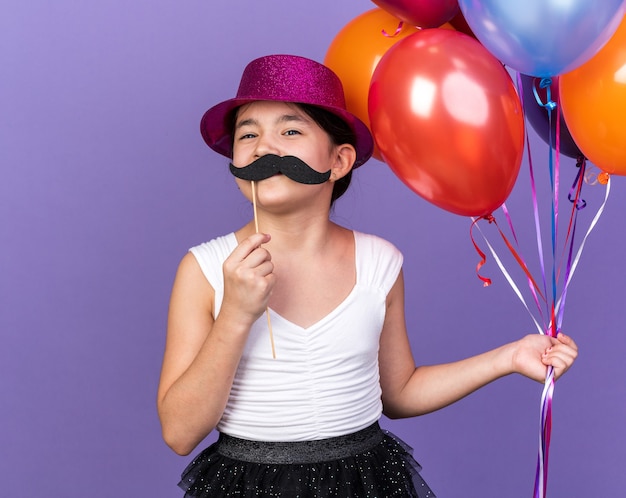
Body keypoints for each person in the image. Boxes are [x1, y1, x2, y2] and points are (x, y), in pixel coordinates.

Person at [157, 54, 578, 497]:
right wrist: (237, 314)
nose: (264, 148)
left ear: (339, 161)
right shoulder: (204, 269)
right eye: (248, 134)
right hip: (247, 483)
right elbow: (180, 432)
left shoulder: (380, 262)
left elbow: (399, 392)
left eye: (291, 130)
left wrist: (508, 358)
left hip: (363, 481)